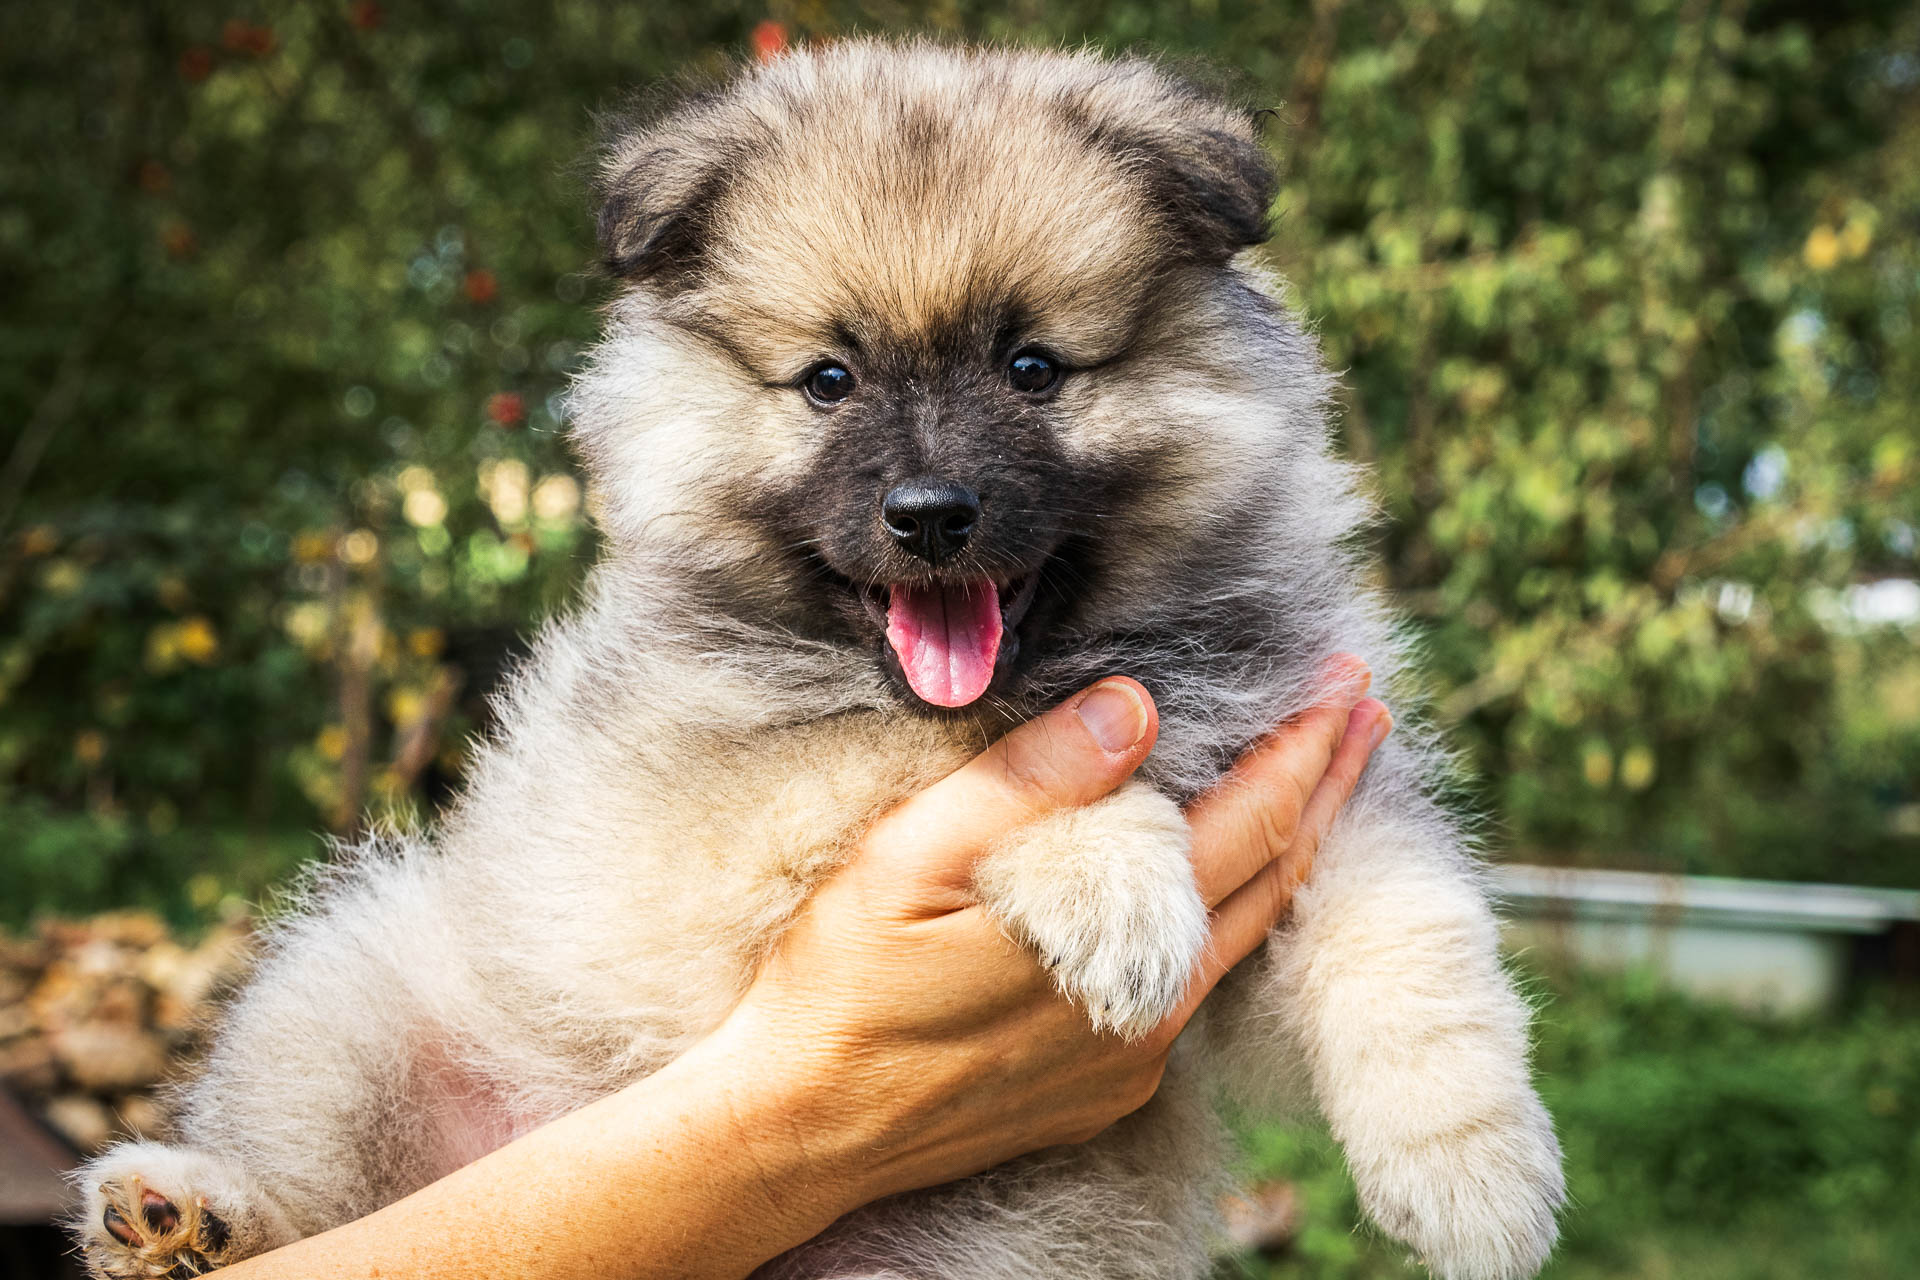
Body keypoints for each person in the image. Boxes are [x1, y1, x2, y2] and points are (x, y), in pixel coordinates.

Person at [214, 661, 1388, 1280]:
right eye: (828, 382)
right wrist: (803, 1103)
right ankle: (285, 1214)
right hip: (548, 1074)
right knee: (365, 957)